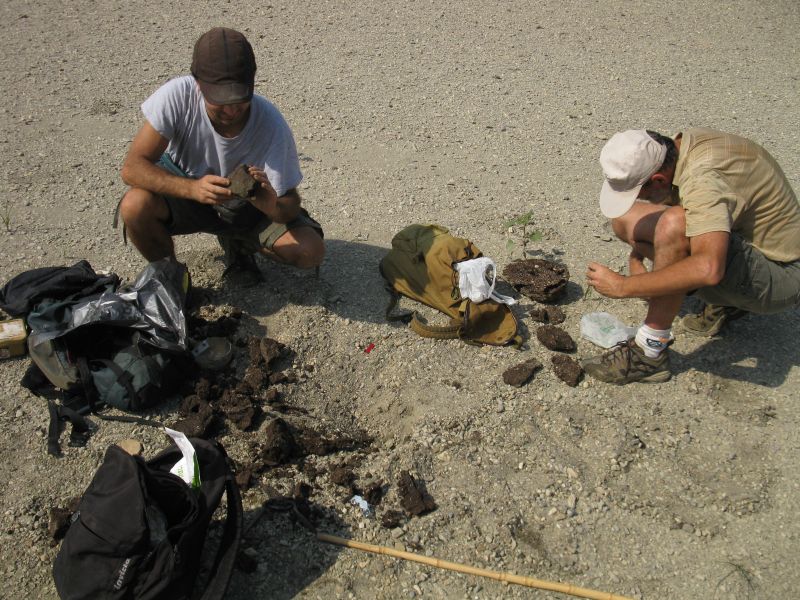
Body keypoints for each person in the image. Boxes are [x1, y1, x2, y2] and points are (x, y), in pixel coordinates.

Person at [583, 128, 800, 384]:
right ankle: (723, 299)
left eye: (639, 191)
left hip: (781, 273)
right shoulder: (682, 148)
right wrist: (640, 257)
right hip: (745, 244)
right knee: (624, 219)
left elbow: (708, 269)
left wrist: (624, 286)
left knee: (675, 224)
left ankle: (650, 352)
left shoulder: (702, 179)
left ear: (659, 179)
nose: (639, 199)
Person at [119, 27, 324, 284]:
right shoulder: (177, 95)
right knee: (134, 206)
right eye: (219, 99)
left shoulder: (270, 122)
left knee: (309, 251)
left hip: (246, 209)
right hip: (186, 195)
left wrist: (271, 205)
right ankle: (171, 279)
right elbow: (133, 168)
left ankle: (239, 246)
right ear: (198, 82)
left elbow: (290, 202)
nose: (231, 110)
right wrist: (192, 189)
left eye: (239, 98)